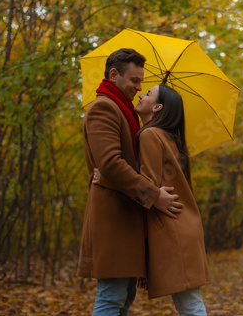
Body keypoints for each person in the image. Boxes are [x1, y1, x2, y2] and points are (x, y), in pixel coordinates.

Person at [77, 48, 184, 316]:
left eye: (141, 81)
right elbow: (110, 164)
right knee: (112, 297)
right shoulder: (104, 107)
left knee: (123, 298)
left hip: (127, 216)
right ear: (114, 75)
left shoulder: (125, 110)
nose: (139, 87)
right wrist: (154, 195)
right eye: (134, 80)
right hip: (112, 217)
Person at [94, 84, 210, 315]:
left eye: (148, 94)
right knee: (190, 302)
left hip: (174, 228)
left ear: (157, 107)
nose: (140, 94)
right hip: (184, 225)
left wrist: (106, 178)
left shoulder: (149, 134)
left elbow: (147, 184)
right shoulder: (170, 137)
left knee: (189, 305)